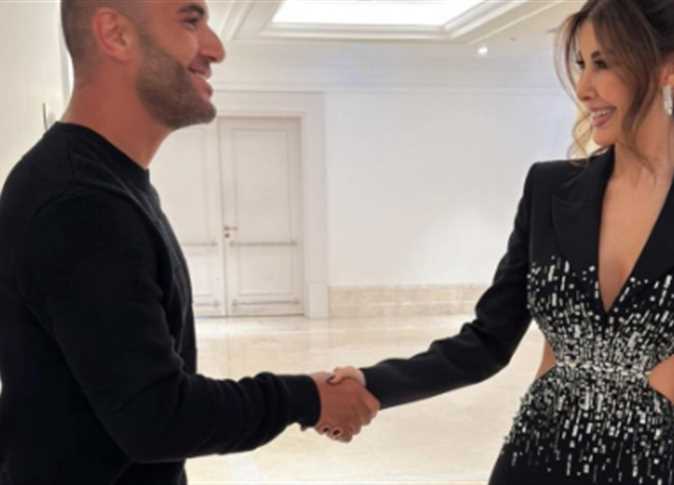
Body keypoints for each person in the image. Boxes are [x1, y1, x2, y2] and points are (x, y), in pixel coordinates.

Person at [0, 1, 379, 484]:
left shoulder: (103, 183)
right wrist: (307, 397)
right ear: (115, 34)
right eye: (191, 20)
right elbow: (157, 418)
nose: (216, 49)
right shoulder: (81, 201)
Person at [329, 1, 674, 483]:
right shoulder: (549, 188)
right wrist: (372, 383)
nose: (584, 88)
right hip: (538, 457)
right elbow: (487, 342)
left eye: (604, 63)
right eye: (582, 64)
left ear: (665, 67)